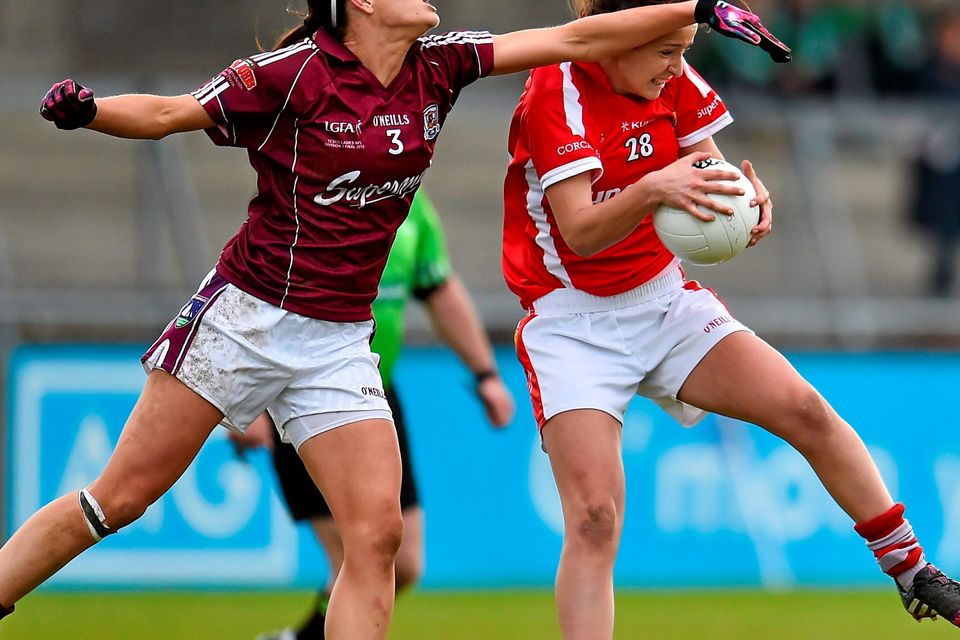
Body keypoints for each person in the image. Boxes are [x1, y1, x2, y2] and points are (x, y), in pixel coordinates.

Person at [1, 0, 789, 637]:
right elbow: (171, 111)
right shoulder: (290, 75)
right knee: (120, 500)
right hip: (247, 318)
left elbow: (577, 35)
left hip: (340, 341)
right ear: (361, 4)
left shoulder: (440, 65)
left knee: (378, 540)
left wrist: (699, 5)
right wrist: (92, 109)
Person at [502, 0, 960, 637]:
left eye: (685, 49)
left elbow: (710, 174)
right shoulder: (556, 89)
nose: (678, 65)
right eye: (666, 50)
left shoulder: (675, 80)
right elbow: (579, 232)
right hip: (571, 322)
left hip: (663, 301)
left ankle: (915, 573)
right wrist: (657, 187)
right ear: (617, 39)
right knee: (595, 518)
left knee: (806, 410)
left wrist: (746, 205)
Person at [234, 190, 515, 640]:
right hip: (304, 397)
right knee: (360, 558)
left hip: (376, 394)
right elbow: (255, 293)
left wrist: (485, 373)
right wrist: (246, 403)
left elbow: (438, 288)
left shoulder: (415, 204)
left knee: (402, 563)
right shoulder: (315, 185)